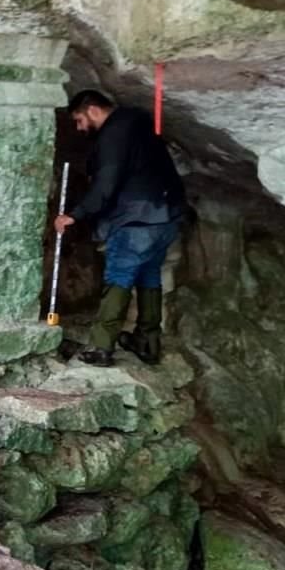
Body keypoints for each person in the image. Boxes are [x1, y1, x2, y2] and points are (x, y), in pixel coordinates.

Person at [54, 90, 187, 367]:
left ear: (92, 110)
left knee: (119, 275)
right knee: (149, 274)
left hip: (137, 218)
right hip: (167, 217)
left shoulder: (113, 134)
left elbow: (106, 183)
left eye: (79, 120)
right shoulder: (139, 125)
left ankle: (102, 347)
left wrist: (74, 215)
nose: (79, 128)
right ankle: (148, 342)